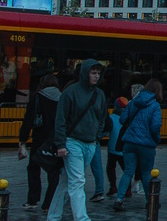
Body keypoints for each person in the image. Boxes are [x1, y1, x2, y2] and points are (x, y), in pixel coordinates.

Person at [47, 59, 107, 221]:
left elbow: (102, 118)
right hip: (73, 142)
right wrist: (61, 143)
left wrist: (96, 137)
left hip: (89, 143)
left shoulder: (99, 94)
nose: (96, 76)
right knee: (77, 181)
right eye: (93, 73)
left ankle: (53, 216)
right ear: (85, 73)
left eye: (98, 73)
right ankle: (81, 218)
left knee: (67, 181)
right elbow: (61, 119)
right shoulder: (71, 92)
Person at [113, 78, 162, 212]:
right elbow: (155, 126)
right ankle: (150, 201)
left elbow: (123, 119)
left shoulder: (133, 102)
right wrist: (156, 139)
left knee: (128, 171)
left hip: (129, 142)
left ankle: (119, 199)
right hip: (146, 144)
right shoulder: (155, 106)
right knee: (146, 173)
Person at [18, 74, 62, 210]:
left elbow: (28, 120)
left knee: (33, 168)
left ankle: (32, 199)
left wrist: (22, 139)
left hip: (39, 138)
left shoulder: (37, 97)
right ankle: (49, 203)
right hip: (56, 139)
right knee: (54, 171)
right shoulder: (63, 98)